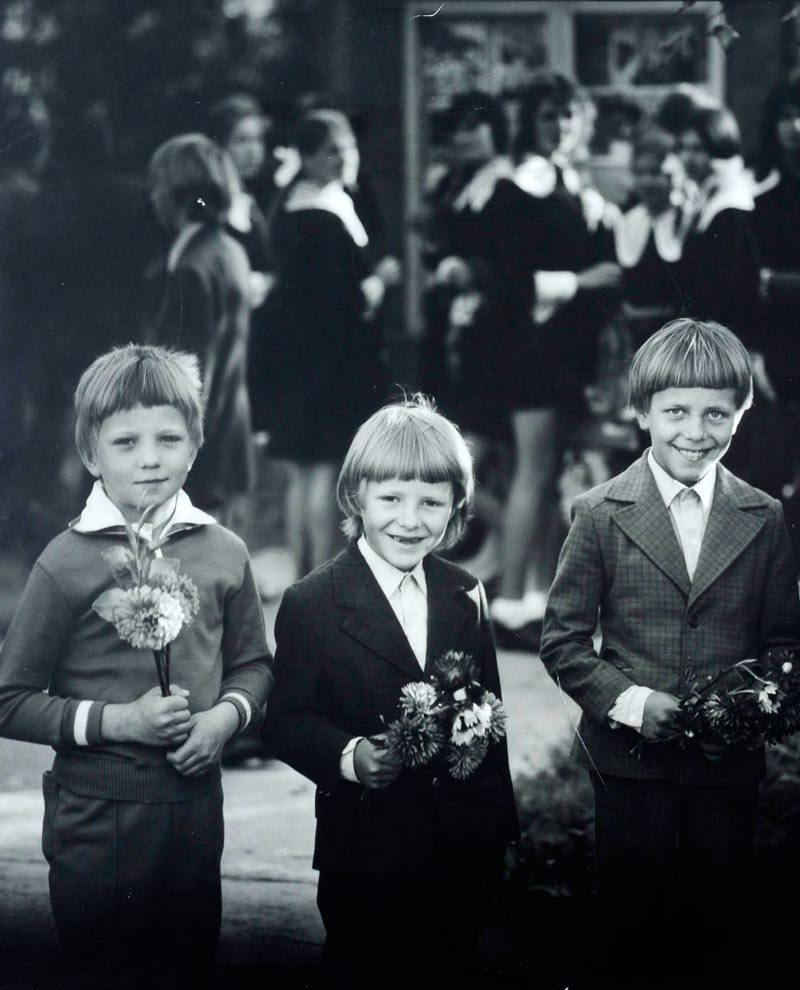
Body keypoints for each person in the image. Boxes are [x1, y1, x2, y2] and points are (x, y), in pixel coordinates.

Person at [540, 318, 800, 990]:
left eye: (717, 413)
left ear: (742, 413)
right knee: (632, 919)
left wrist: (748, 713)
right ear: (642, 411)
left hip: (726, 769)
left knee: (717, 919)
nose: (696, 430)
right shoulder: (600, 511)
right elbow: (563, 640)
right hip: (628, 764)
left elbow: (783, 645)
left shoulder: (764, 515)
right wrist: (630, 702)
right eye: (676, 410)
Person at [0, 344, 272, 985]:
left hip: (195, 815)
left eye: (168, 438)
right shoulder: (65, 562)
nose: (150, 457)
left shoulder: (224, 552)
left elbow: (255, 666)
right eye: (125, 442)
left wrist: (223, 723)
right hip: (97, 820)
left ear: (196, 442)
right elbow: (9, 699)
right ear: (91, 454)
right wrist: (118, 722)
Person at [262, 396, 518, 990]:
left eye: (431, 502)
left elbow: (489, 717)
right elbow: (285, 721)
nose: (411, 519)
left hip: (458, 845)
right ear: (357, 498)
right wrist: (350, 757)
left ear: (457, 507)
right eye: (392, 499)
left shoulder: (465, 593)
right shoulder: (314, 601)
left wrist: (498, 831)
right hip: (367, 851)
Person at [489, 73, 621, 634]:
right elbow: (511, 281)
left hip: (569, 350)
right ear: (531, 123)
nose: (561, 126)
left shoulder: (572, 182)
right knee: (533, 470)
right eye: (549, 116)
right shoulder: (517, 187)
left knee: (547, 477)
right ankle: (510, 600)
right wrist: (584, 279)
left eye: (569, 114)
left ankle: (535, 598)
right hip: (531, 348)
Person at [265, 111, 401, 577]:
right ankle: (318, 579)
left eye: (348, 148)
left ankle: (302, 575)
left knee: (304, 476)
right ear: (306, 158)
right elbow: (337, 299)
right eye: (331, 151)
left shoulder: (297, 205)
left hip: (302, 357)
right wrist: (379, 283)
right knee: (323, 474)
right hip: (330, 359)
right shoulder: (321, 216)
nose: (344, 159)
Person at [418, 90, 515, 574]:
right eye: (458, 129)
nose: (466, 137)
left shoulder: (505, 189)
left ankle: (515, 541)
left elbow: (510, 264)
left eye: (476, 126)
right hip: (454, 342)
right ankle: (501, 548)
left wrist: (466, 270)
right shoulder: (453, 188)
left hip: (494, 343)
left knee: (463, 463)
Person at [148, 133, 254, 529]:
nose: (154, 196)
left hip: (199, 462)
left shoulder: (192, 268)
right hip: (229, 443)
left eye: (159, 184)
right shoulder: (230, 251)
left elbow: (189, 378)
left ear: (178, 193)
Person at [752, 74, 800, 514]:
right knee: (771, 482)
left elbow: (767, 280)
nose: (795, 126)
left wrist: (777, 282)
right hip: (778, 357)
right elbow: (749, 281)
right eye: (785, 116)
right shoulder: (762, 194)